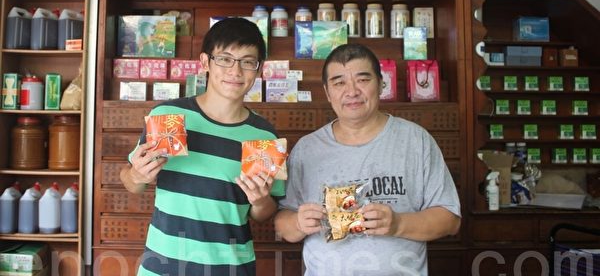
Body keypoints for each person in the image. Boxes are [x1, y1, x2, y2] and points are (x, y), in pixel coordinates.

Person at [274, 43, 461, 276]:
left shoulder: (416, 140)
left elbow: (450, 220)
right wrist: (298, 223)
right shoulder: (306, 149)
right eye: (339, 83)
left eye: (363, 80)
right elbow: (282, 223)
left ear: (381, 84)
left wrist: (398, 224)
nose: (352, 91)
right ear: (327, 93)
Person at [120, 17, 284, 276]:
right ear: (205, 62)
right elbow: (130, 181)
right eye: (225, 59)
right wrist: (137, 175)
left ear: (259, 69)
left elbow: (264, 213)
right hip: (162, 268)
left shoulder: (264, 136)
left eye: (247, 62)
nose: (235, 71)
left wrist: (261, 200)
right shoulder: (168, 115)